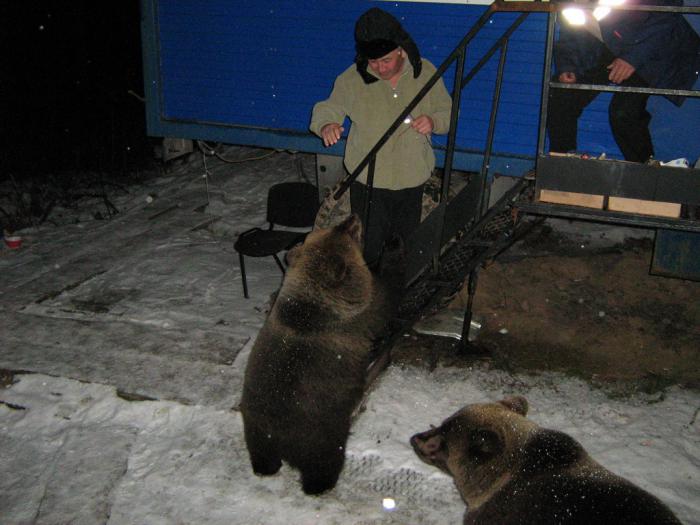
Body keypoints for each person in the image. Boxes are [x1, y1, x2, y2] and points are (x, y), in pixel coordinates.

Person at [310, 7, 452, 266]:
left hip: (411, 180)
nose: (379, 67)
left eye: (385, 60)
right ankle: (372, 296)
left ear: (400, 49)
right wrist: (326, 124)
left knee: (404, 249)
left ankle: (401, 295)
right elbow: (328, 106)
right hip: (368, 182)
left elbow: (447, 111)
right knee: (369, 250)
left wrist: (434, 121)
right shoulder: (352, 79)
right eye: (373, 62)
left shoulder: (426, 72)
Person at [547, 0, 700, 163]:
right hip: (612, 47)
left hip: (653, 54)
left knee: (624, 112)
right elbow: (571, 34)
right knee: (562, 92)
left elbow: (665, 18)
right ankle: (560, 164)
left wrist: (632, 59)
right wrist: (568, 67)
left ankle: (642, 171)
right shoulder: (569, 3)